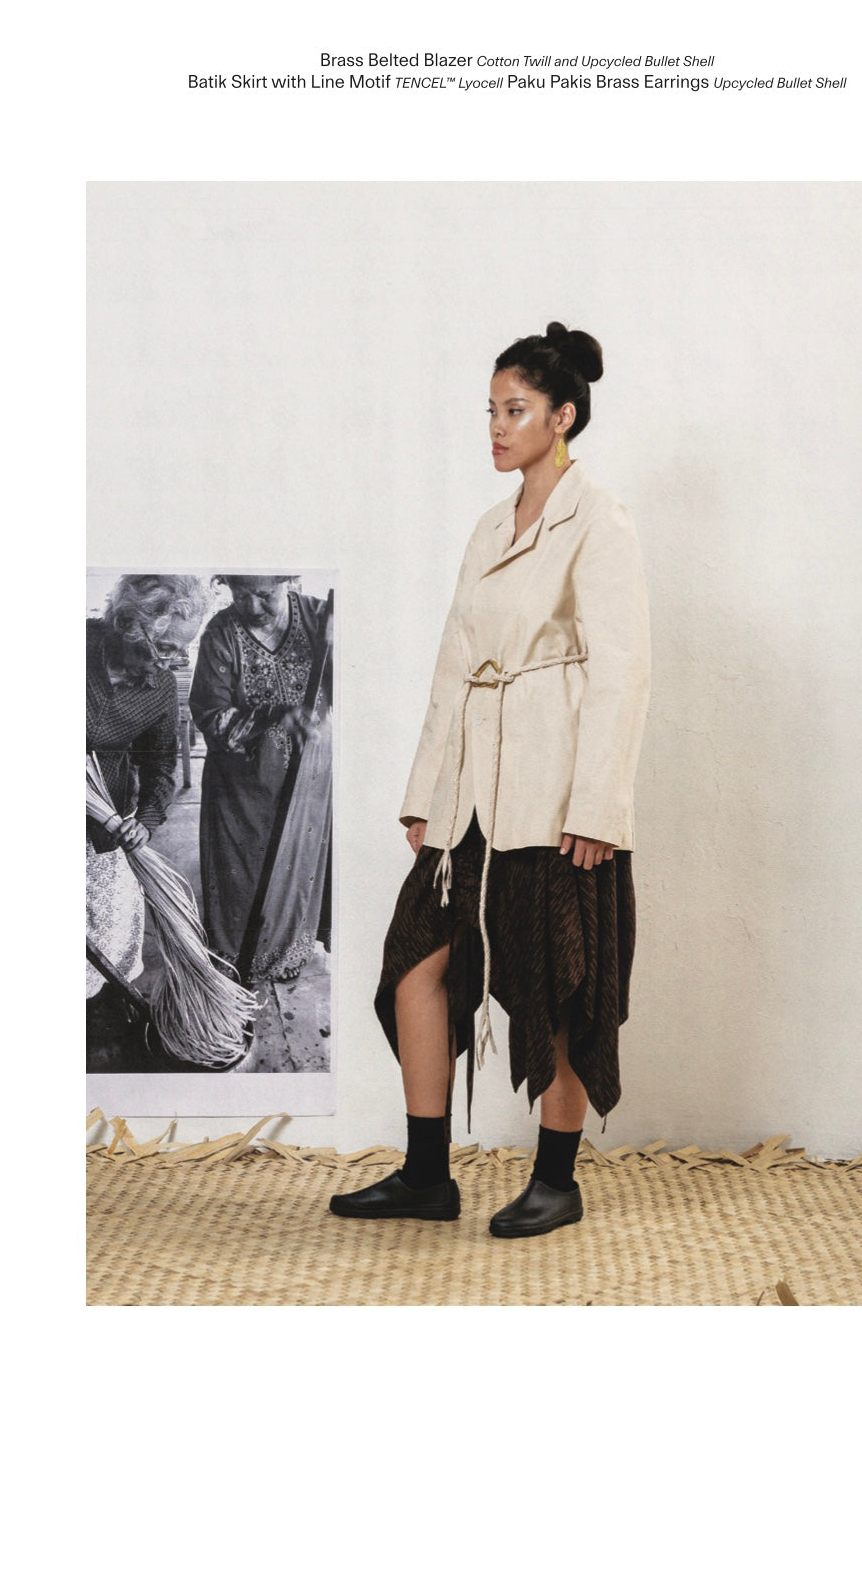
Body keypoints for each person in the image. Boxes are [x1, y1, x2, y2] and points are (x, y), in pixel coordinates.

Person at [330, 321, 650, 1238]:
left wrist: (598, 806)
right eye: (492, 411)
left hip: (554, 796)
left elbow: (622, 671)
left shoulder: (601, 520)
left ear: (563, 417)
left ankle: (556, 1178)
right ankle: (427, 1175)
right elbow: (453, 664)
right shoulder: (486, 528)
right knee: (415, 965)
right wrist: (426, 794)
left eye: (516, 410)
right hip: (470, 794)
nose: (498, 427)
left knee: (558, 980)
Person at [189, 576, 333, 985]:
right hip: (241, 787)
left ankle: (285, 955)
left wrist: (346, 650)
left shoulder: (320, 616)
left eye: (265, 595)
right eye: (241, 594)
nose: (252, 607)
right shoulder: (221, 633)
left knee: (296, 872)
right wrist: (274, 717)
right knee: (241, 880)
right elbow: (209, 714)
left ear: (287, 580)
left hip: (308, 782)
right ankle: (237, 965)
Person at [86, 575, 212, 1040]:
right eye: (169, 647)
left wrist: (145, 819)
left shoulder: (159, 687)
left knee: (113, 919)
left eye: (185, 647)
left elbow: (159, 762)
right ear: (131, 626)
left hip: (106, 820)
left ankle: (101, 1001)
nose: (179, 658)